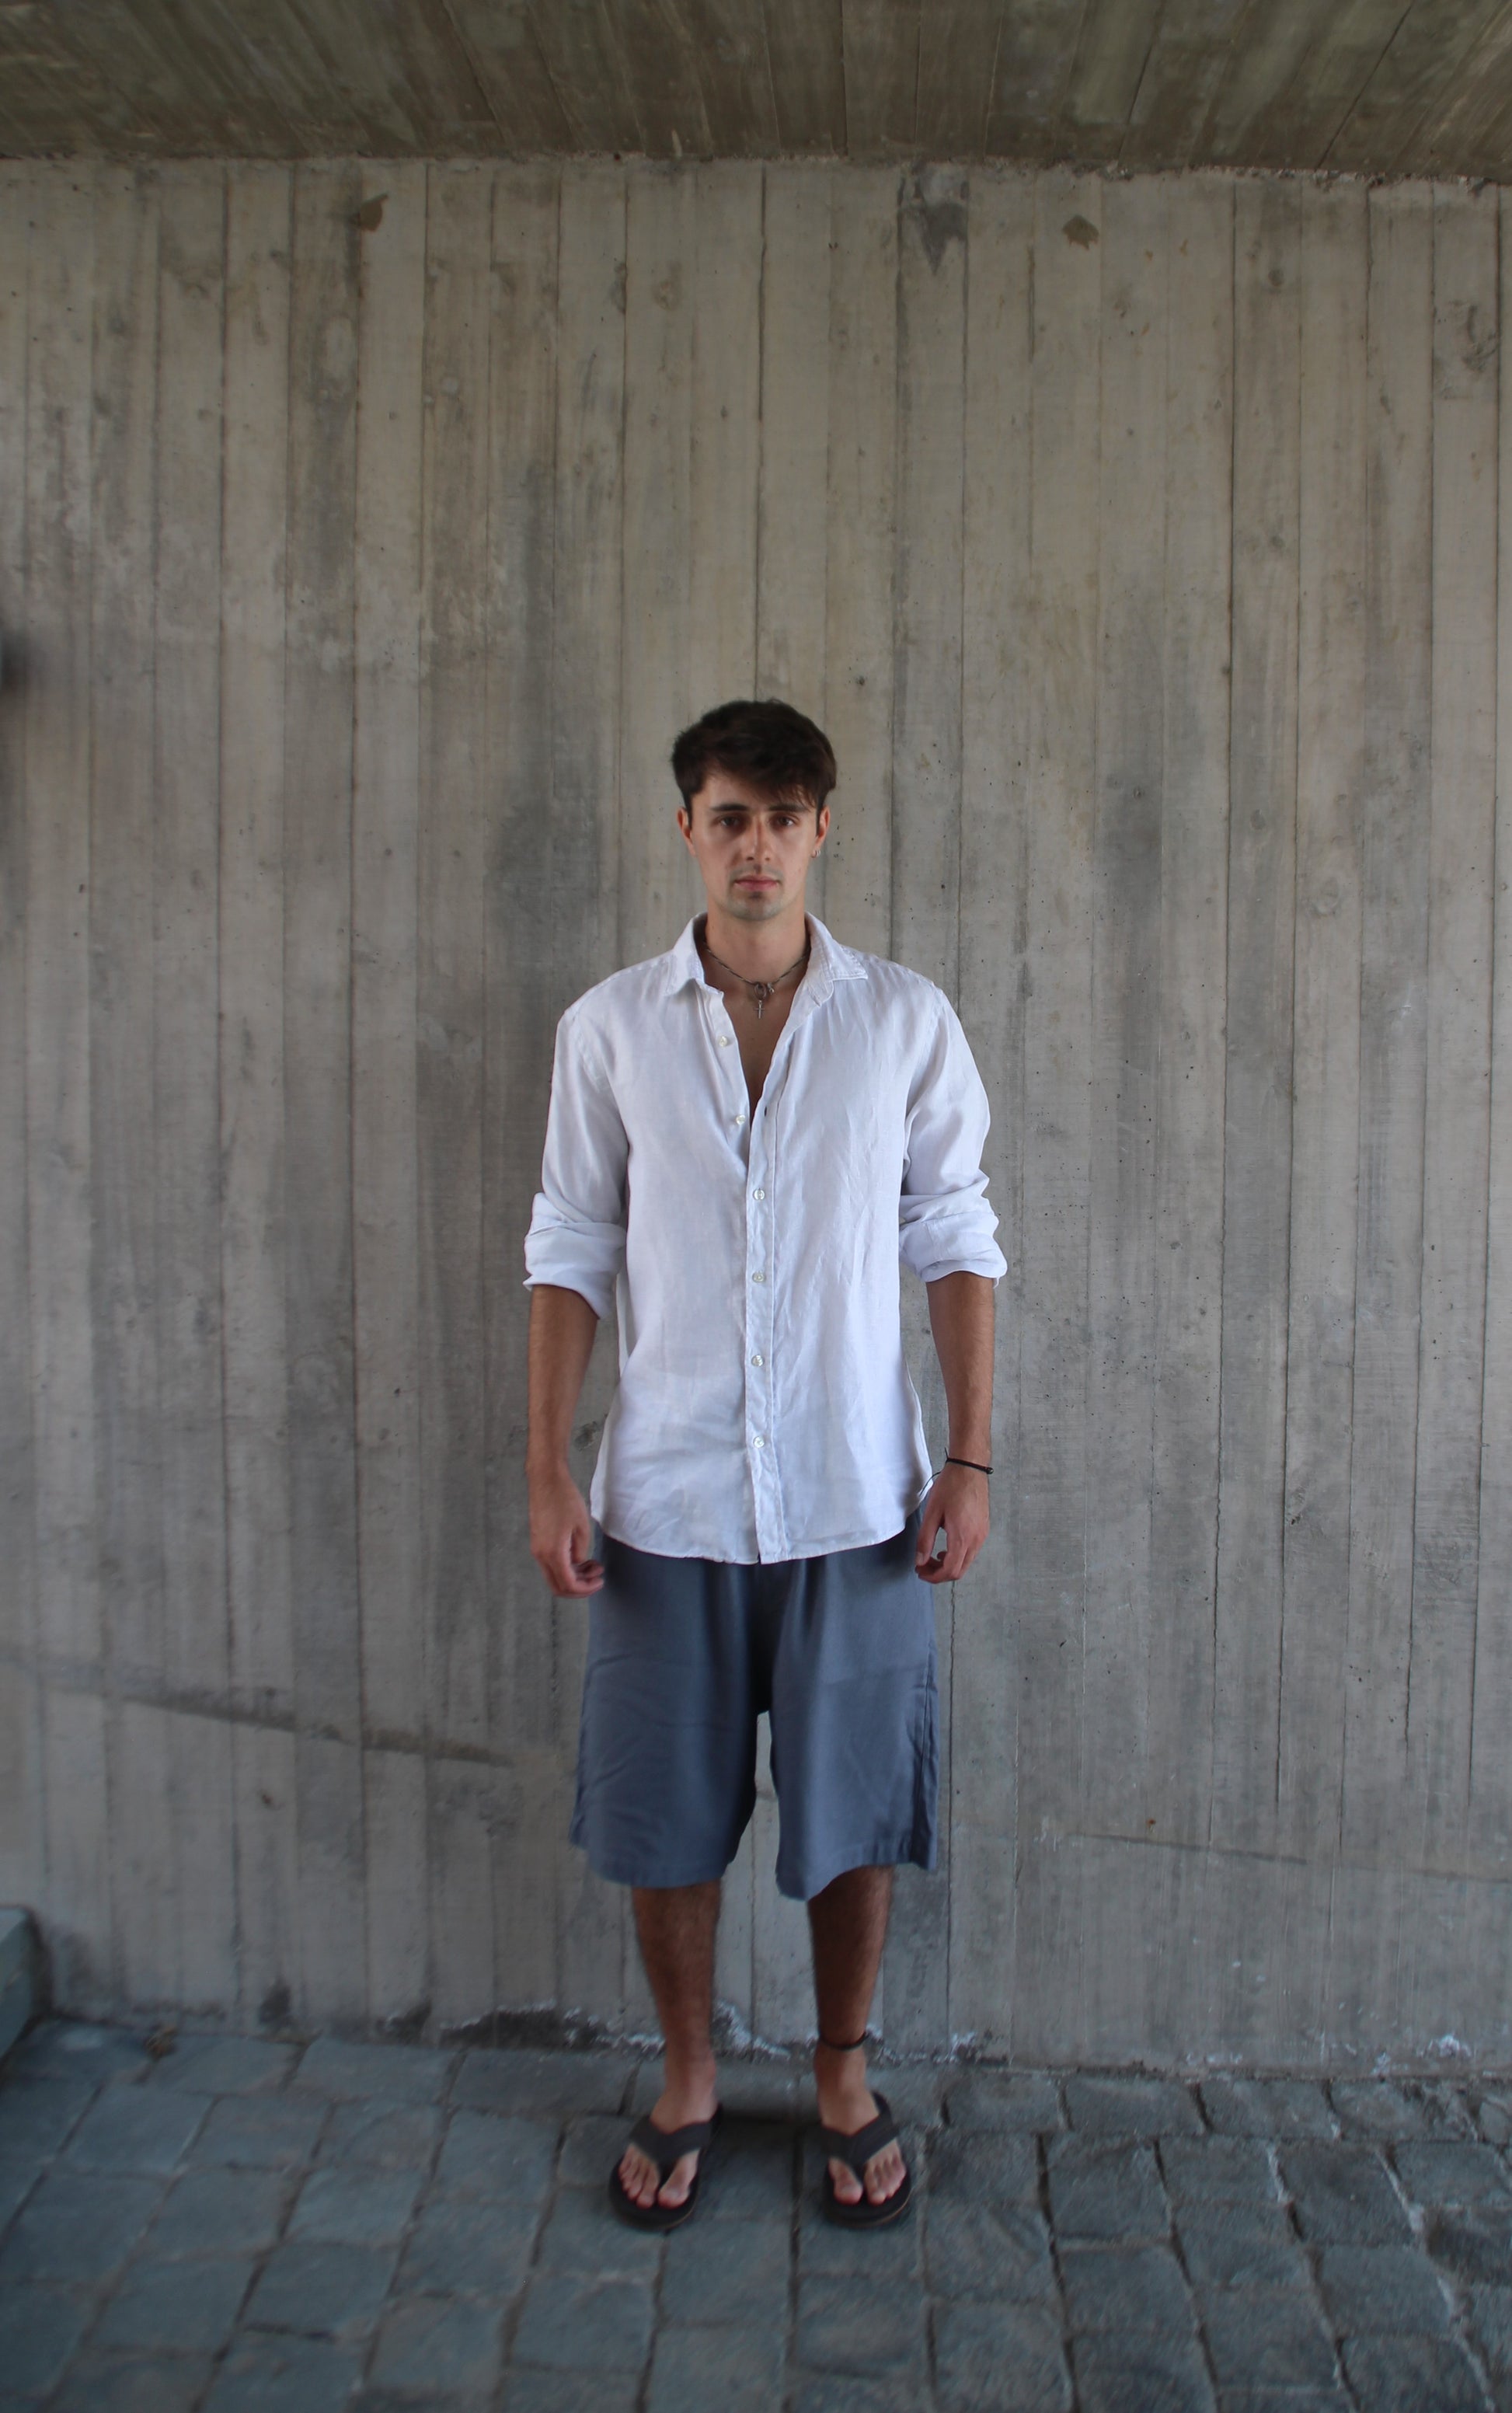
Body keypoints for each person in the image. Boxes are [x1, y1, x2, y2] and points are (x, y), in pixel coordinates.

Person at [523, 697, 1005, 2233]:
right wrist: (546, 1469)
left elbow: (955, 1234)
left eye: (784, 818)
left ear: (820, 830)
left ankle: (843, 2074)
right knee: (664, 1816)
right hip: (662, 1500)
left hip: (856, 1496)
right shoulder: (608, 1030)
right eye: (730, 815)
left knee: (851, 1807)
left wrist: (969, 1455)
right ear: (688, 825)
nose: (757, 846)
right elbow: (568, 1247)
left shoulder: (902, 1021)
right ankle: (687, 2075)